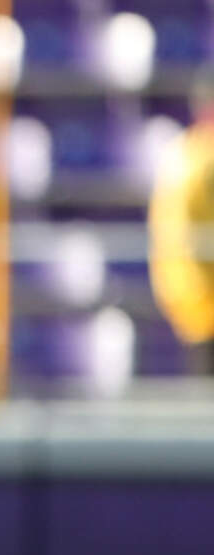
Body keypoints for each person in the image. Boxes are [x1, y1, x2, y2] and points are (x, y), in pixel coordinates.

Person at [149, 65, 214, 374]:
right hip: (204, 308)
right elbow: (180, 236)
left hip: (194, 307)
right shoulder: (198, 159)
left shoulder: (184, 154)